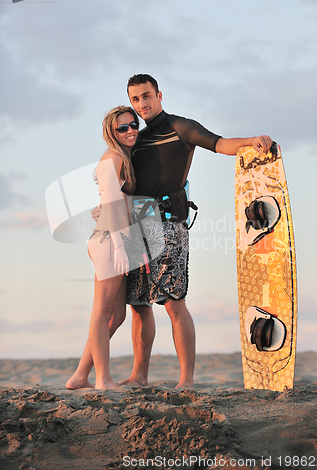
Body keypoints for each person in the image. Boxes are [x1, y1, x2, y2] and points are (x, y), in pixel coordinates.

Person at [95, 74, 272, 389]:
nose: (142, 104)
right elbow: (120, 184)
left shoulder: (181, 127)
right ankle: (139, 375)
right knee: (139, 305)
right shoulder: (136, 139)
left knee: (174, 301)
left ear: (159, 95)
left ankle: (186, 380)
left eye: (146, 96)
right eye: (135, 99)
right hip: (137, 224)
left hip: (169, 223)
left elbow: (219, 143)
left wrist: (250, 141)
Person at [66, 105, 139, 390]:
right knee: (102, 313)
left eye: (134, 125)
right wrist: (120, 247)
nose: (131, 130)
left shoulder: (123, 158)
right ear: (112, 132)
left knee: (117, 315)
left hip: (115, 238)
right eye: (123, 127)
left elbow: (114, 202)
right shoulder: (112, 158)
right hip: (110, 241)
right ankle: (102, 379)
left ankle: (80, 375)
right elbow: (110, 202)